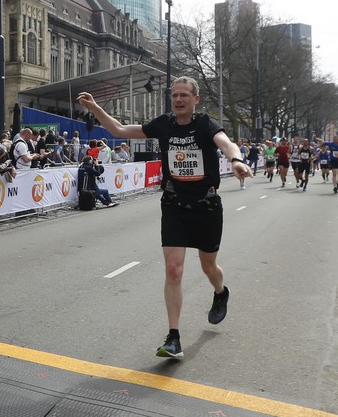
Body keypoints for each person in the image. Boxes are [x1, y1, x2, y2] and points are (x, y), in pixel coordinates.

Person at [78, 77, 252, 360]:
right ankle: (173, 337)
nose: (178, 100)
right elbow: (119, 129)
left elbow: (226, 143)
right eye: (174, 96)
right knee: (173, 269)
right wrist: (95, 108)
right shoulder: (164, 124)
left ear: (195, 99)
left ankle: (220, 292)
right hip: (174, 205)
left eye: (184, 95)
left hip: (206, 206)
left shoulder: (205, 124)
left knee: (209, 267)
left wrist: (236, 160)